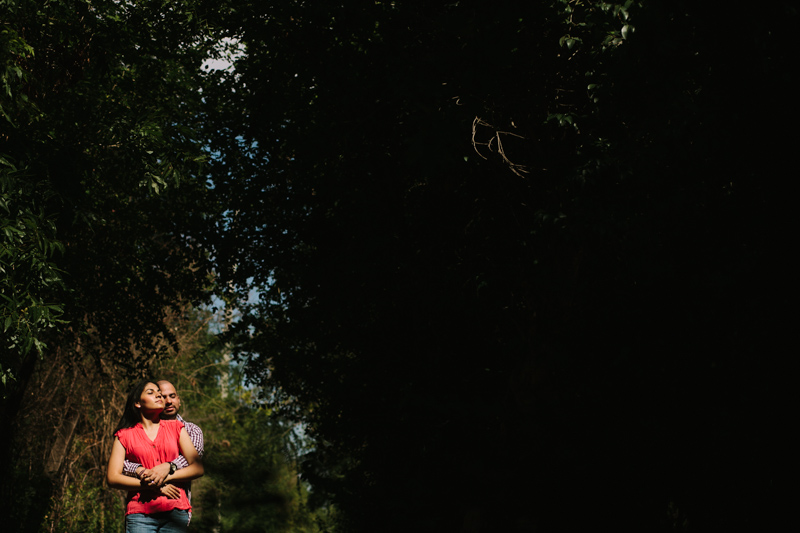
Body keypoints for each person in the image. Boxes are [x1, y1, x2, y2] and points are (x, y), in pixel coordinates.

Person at [107, 380, 204, 532]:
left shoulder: (177, 428)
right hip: (140, 513)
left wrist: (167, 475)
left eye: (159, 393)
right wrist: (151, 484)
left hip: (175, 510)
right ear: (138, 403)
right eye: (152, 393)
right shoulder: (124, 435)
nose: (160, 396)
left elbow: (197, 468)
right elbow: (113, 477)